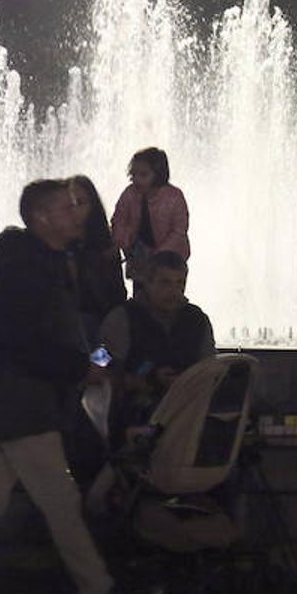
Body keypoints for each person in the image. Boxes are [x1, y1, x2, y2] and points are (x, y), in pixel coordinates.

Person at [0, 181, 130, 594]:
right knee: (62, 503)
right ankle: (100, 590)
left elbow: (73, 329)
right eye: (67, 206)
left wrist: (95, 361)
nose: (78, 211)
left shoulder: (55, 261)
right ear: (42, 217)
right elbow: (16, 338)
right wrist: (79, 368)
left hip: (23, 403)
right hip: (23, 404)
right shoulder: (25, 267)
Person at [98, 250, 215, 441]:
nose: (174, 292)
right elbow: (98, 366)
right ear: (147, 282)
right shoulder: (122, 319)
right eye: (165, 283)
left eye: (180, 283)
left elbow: (210, 367)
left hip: (188, 414)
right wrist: (145, 380)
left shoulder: (197, 320)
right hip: (134, 416)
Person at [110, 146, 190, 283]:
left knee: (167, 292)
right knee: (141, 295)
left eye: (143, 175)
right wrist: (127, 242)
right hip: (139, 258)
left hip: (171, 261)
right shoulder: (129, 193)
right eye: (133, 175)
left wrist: (158, 254)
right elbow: (118, 221)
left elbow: (178, 231)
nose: (137, 180)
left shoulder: (174, 196)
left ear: (158, 174)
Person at [67, 175, 127, 342]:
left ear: (93, 206)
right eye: (69, 205)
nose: (74, 210)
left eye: (81, 203)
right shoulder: (55, 245)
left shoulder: (105, 246)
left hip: (102, 327)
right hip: (66, 330)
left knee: (106, 349)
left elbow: (116, 297)